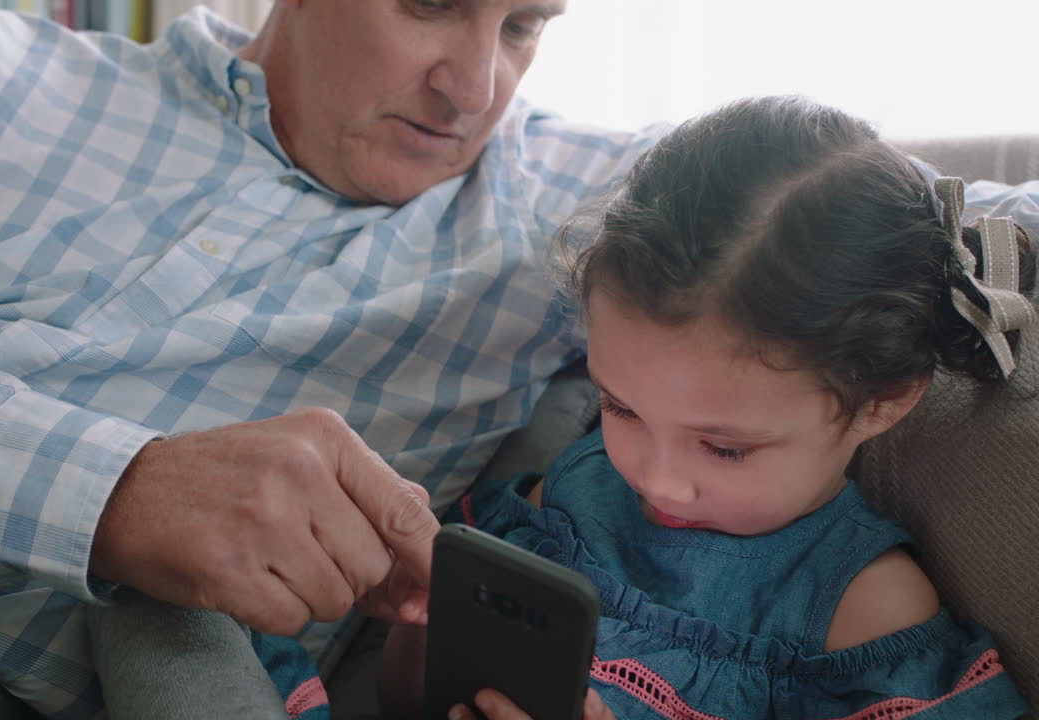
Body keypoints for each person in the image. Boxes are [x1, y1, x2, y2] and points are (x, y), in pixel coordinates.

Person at [0, 0, 680, 717]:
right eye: (429, 4)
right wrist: (110, 493)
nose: (476, 86)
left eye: (524, 26)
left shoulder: (574, 202)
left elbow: (813, 218)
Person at [378, 96, 1035, 720]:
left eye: (726, 448)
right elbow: (404, 700)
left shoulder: (861, 612)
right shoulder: (575, 490)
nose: (655, 477)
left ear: (885, 401)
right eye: (620, 406)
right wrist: (424, 624)